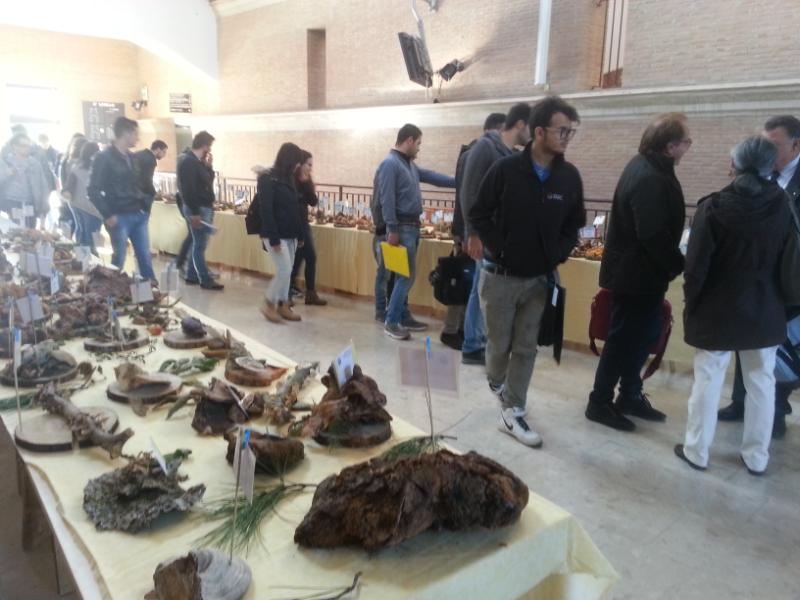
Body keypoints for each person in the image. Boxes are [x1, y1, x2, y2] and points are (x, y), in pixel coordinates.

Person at [469, 96, 585, 447]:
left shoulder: (568, 177)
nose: (566, 137)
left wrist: (558, 254)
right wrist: (500, 247)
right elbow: (479, 213)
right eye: (561, 130)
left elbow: (574, 224)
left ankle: (513, 409)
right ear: (538, 132)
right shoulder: (505, 170)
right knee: (498, 346)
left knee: (526, 347)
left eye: (571, 132)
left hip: (539, 281)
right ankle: (499, 384)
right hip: (500, 278)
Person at [675, 136, 791, 476]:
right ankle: (757, 457)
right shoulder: (783, 205)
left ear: (733, 165)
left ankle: (697, 450)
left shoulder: (714, 207)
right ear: (771, 166)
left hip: (717, 309)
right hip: (766, 308)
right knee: (762, 382)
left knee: (708, 379)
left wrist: (691, 302)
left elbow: (696, 267)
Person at [585, 113, 691, 432]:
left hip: (643, 275)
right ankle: (599, 402)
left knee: (642, 337)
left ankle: (629, 395)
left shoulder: (652, 168)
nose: (688, 147)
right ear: (670, 146)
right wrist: (677, 263)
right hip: (635, 276)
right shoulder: (648, 176)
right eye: (686, 142)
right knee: (622, 341)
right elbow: (652, 234)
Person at [718, 115, 800, 438]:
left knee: (780, 349)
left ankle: (774, 411)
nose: (767, 152)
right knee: (747, 340)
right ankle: (741, 402)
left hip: (789, 279)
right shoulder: (761, 174)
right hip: (757, 278)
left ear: (796, 145)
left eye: (774, 145)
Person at [462, 102, 532, 365]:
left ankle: (477, 342)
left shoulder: (507, 153)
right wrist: (473, 234)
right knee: (481, 292)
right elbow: (469, 192)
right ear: (521, 124)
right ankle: (473, 345)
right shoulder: (485, 147)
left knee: (483, 291)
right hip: (484, 236)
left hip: (497, 238)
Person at [373, 124, 456, 340]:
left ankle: (402, 315)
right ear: (408, 140)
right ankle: (391, 321)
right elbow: (386, 199)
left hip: (411, 227)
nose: (419, 148)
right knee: (405, 277)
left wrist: (460, 180)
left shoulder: (409, 164)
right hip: (401, 228)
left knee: (403, 277)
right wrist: (392, 228)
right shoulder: (390, 164)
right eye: (418, 143)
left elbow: (433, 177)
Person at [441, 111, 506, 352]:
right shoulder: (477, 153)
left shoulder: (473, 152)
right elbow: (468, 196)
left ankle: (463, 330)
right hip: (470, 231)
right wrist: (468, 233)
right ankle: (451, 330)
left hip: (469, 229)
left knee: (468, 282)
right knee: (462, 280)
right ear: (497, 129)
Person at [87, 117, 155, 280]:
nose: (138, 138)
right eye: (135, 134)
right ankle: (110, 290)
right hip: (118, 215)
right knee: (119, 259)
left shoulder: (133, 157)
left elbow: (139, 183)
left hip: (138, 213)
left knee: (145, 257)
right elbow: (93, 189)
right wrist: (108, 214)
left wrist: (145, 205)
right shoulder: (104, 157)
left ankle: (151, 290)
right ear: (126, 133)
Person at [258, 142, 305, 323]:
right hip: (275, 234)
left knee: (288, 270)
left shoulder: (288, 178)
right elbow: (266, 210)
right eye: (296, 162)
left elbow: (295, 209)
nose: (298, 166)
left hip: (291, 233)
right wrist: (274, 238)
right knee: (284, 270)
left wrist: (300, 234)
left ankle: (283, 305)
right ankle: (268, 303)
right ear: (288, 160)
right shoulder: (267, 178)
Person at [176, 131, 222, 290]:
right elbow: (188, 189)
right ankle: (204, 279)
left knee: (198, 243)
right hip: (198, 208)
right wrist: (195, 212)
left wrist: (209, 167)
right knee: (200, 245)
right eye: (209, 146)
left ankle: (192, 275)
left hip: (202, 206)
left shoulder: (197, 162)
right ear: (204, 145)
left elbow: (207, 182)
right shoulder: (188, 162)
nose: (210, 150)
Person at [289, 150, 327, 306]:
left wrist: (306, 183)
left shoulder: (306, 181)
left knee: (308, 258)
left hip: (304, 225)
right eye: (308, 165)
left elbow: (313, 201)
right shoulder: (290, 179)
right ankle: (287, 294)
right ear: (300, 164)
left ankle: (309, 293)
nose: (311, 168)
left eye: (311, 165)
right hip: (293, 225)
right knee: (297, 260)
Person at [0, 133, 51, 227]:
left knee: (30, 230)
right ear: (14, 146)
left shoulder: (35, 164)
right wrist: (7, 173)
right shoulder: (5, 162)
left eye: (29, 145)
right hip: (11, 203)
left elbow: (43, 186)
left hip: (30, 202)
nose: (27, 148)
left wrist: (44, 207)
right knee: (13, 231)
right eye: (23, 146)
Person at [62, 141, 103, 253]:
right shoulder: (97, 169)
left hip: (76, 205)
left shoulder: (76, 167)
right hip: (92, 209)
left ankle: (81, 258)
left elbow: (68, 186)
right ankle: (90, 259)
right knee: (92, 239)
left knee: (81, 233)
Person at [134, 140, 168, 208]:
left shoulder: (138, 153)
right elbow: (147, 180)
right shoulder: (151, 160)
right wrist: (154, 193)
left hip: (133, 192)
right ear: (158, 149)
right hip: (143, 194)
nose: (164, 155)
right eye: (164, 152)